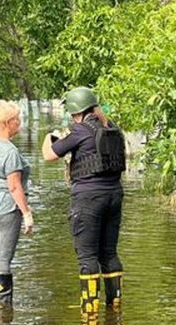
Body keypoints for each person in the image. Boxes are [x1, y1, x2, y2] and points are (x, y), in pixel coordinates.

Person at [41, 87, 127, 312]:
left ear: (76, 111)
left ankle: (90, 315)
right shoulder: (112, 128)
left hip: (88, 200)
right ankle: (115, 310)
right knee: (109, 254)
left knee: (87, 258)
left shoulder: (80, 131)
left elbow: (49, 155)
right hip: (114, 196)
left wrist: (49, 137)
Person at [0, 100, 33, 304]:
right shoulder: (10, 151)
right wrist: (26, 214)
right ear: (8, 122)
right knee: (3, 259)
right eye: (17, 119)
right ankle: (4, 307)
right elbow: (14, 187)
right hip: (7, 209)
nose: (19, 122)